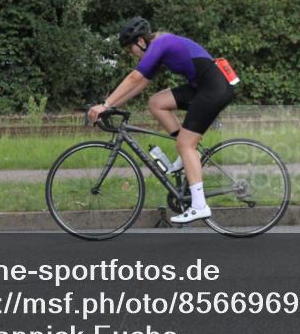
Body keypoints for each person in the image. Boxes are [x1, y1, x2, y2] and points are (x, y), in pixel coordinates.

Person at [87, 17, 237, 223]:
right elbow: (141, 84)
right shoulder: (159, 47)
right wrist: (112, 106)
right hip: (204, 86)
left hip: (214, 88)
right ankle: (185, 157)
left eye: (131, 48)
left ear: (141, 41)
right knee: (157, 102)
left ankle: (200, 205)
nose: (132, 54)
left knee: (186, 144)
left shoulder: (161, 43)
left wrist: (104, 104)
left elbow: (134, 78)